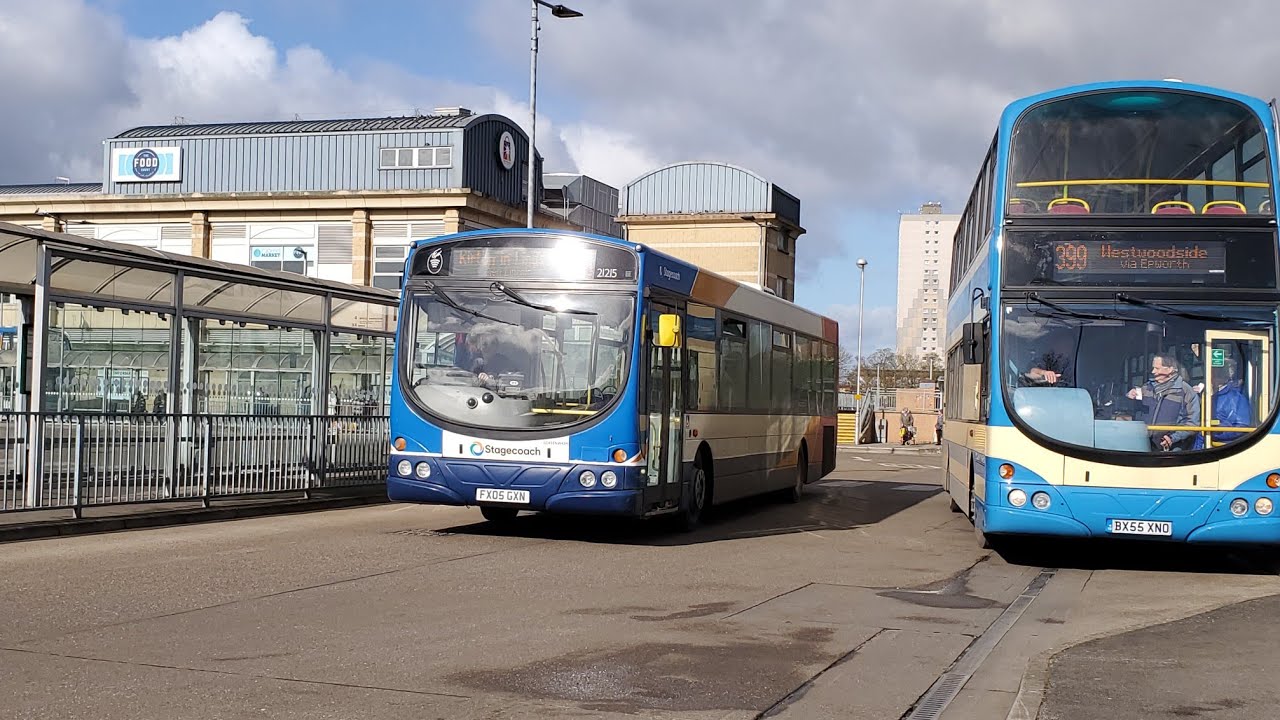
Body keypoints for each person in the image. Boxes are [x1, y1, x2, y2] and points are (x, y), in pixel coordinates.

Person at [1127, 353, 1202, 452]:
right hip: (1144, 445)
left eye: (1157, 368)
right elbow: (1132, 412)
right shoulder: (1146, 388)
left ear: (1170, 369)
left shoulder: (1186, 392)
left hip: (1173, 449)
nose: (1153, 371)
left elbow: (1192, 423)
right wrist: (1129, 397)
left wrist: (1173, 438)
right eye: (1153, 368)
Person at [1208, 358, 1252, 445]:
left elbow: (1242, 427)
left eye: (1216, 374)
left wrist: (1215, 433)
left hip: (1224, 445)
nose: (1212, 378)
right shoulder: (1209, 395)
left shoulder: (1236, 398)